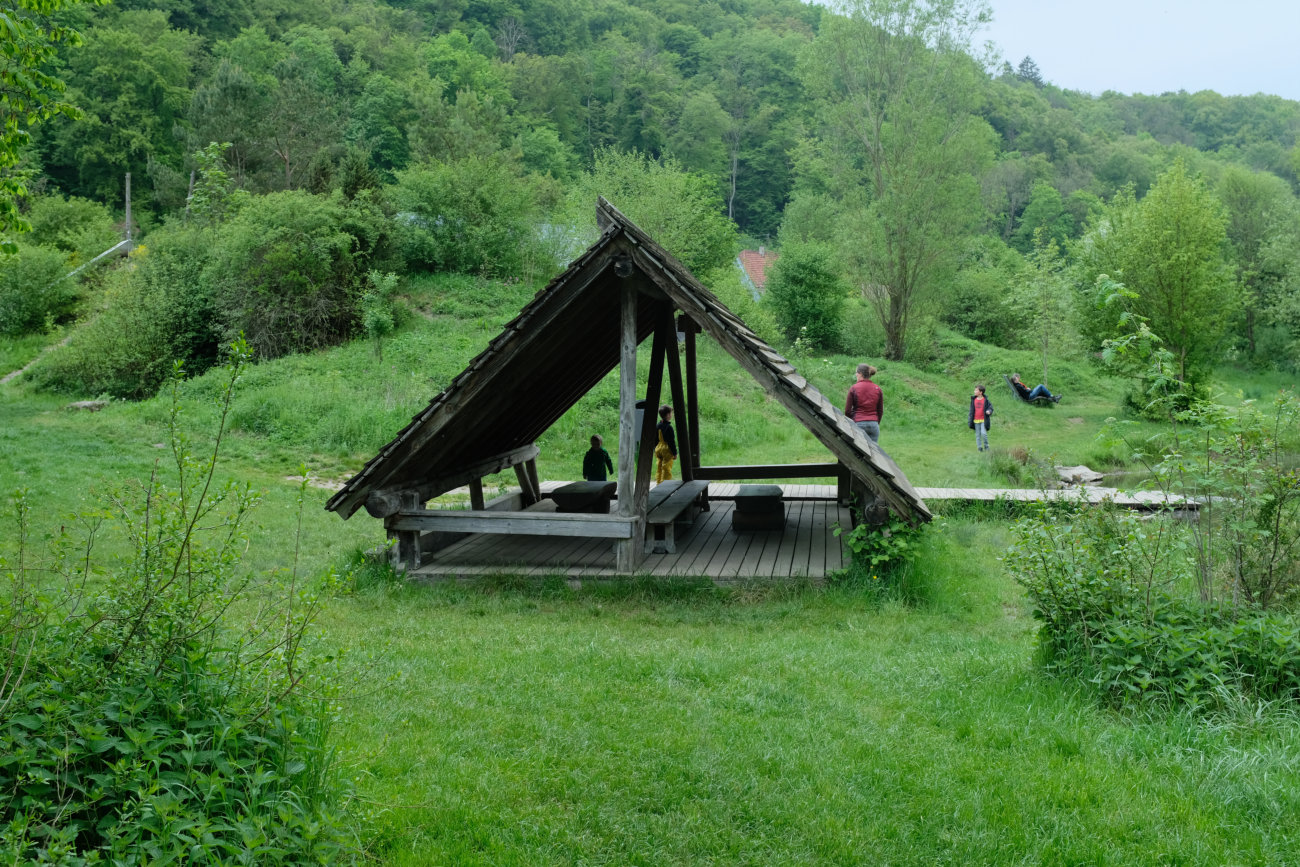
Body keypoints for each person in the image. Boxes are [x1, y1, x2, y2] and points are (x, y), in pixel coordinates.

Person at [844, 363, 883, 443]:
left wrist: (851, 422)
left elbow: (847, 411)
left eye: (856, 373)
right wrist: (875, 422)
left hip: (858, 423)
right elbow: (880, 411)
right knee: (874, 450)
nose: (856, 375)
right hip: (874, 425)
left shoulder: (854, 388)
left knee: (856, 449)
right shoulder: (877, 389)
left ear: (860, 374)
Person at [654, 405, 677, 484]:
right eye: (671, 413)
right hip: (666, 449)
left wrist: (655, 449)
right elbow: (671, 442)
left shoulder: (658, 425)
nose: (671, 415)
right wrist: (674, 453)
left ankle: (658, 483)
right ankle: (664, 485)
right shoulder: (669, 427)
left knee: (659, 467)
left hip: (658, 448)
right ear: (668, 415)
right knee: (666, 468)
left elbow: (655, 439)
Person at [968, 385, 993, 452]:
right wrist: (970, 418)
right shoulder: (973, 400)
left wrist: (989, 411)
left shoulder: (986, 400)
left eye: (976, 390)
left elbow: (990, 408)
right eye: (975, 390)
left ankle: (986, 447)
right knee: (978, 435)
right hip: (976, 420)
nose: (974, 391)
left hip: (983, 420)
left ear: (980, 392)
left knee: (984, 434)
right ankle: (979, 448)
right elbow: (971, 410)